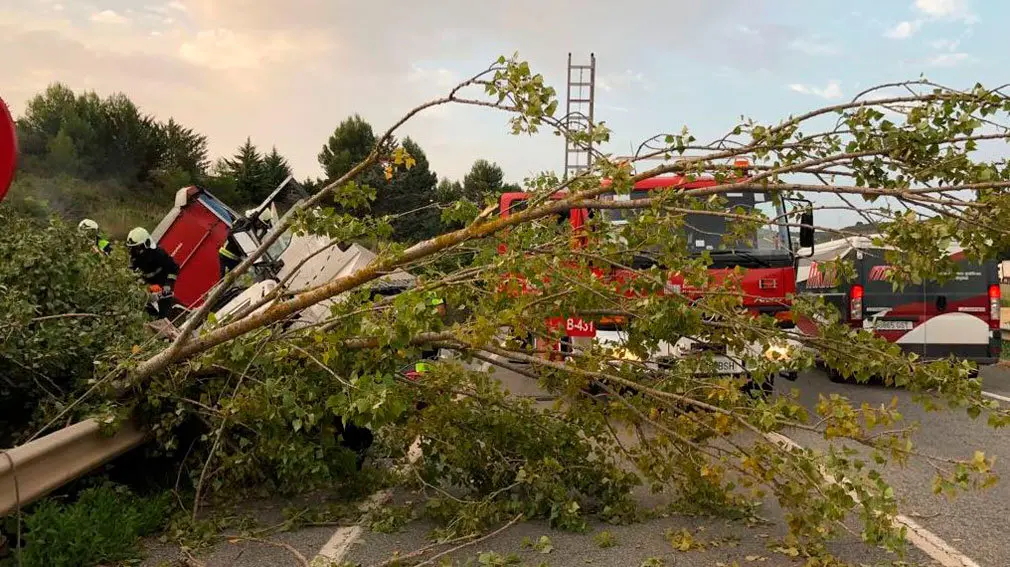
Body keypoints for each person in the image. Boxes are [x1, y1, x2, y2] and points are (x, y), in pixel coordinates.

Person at [125, 227, 180, 318]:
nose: (135, 251)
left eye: (137, 248)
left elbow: (173, 269)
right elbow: (130, 275)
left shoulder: (158, 254)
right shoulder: (134, 259)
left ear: (146, 244)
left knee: (164, 314)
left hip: (163, 286)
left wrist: (167, 286)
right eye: (133, 248)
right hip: (147, 288)